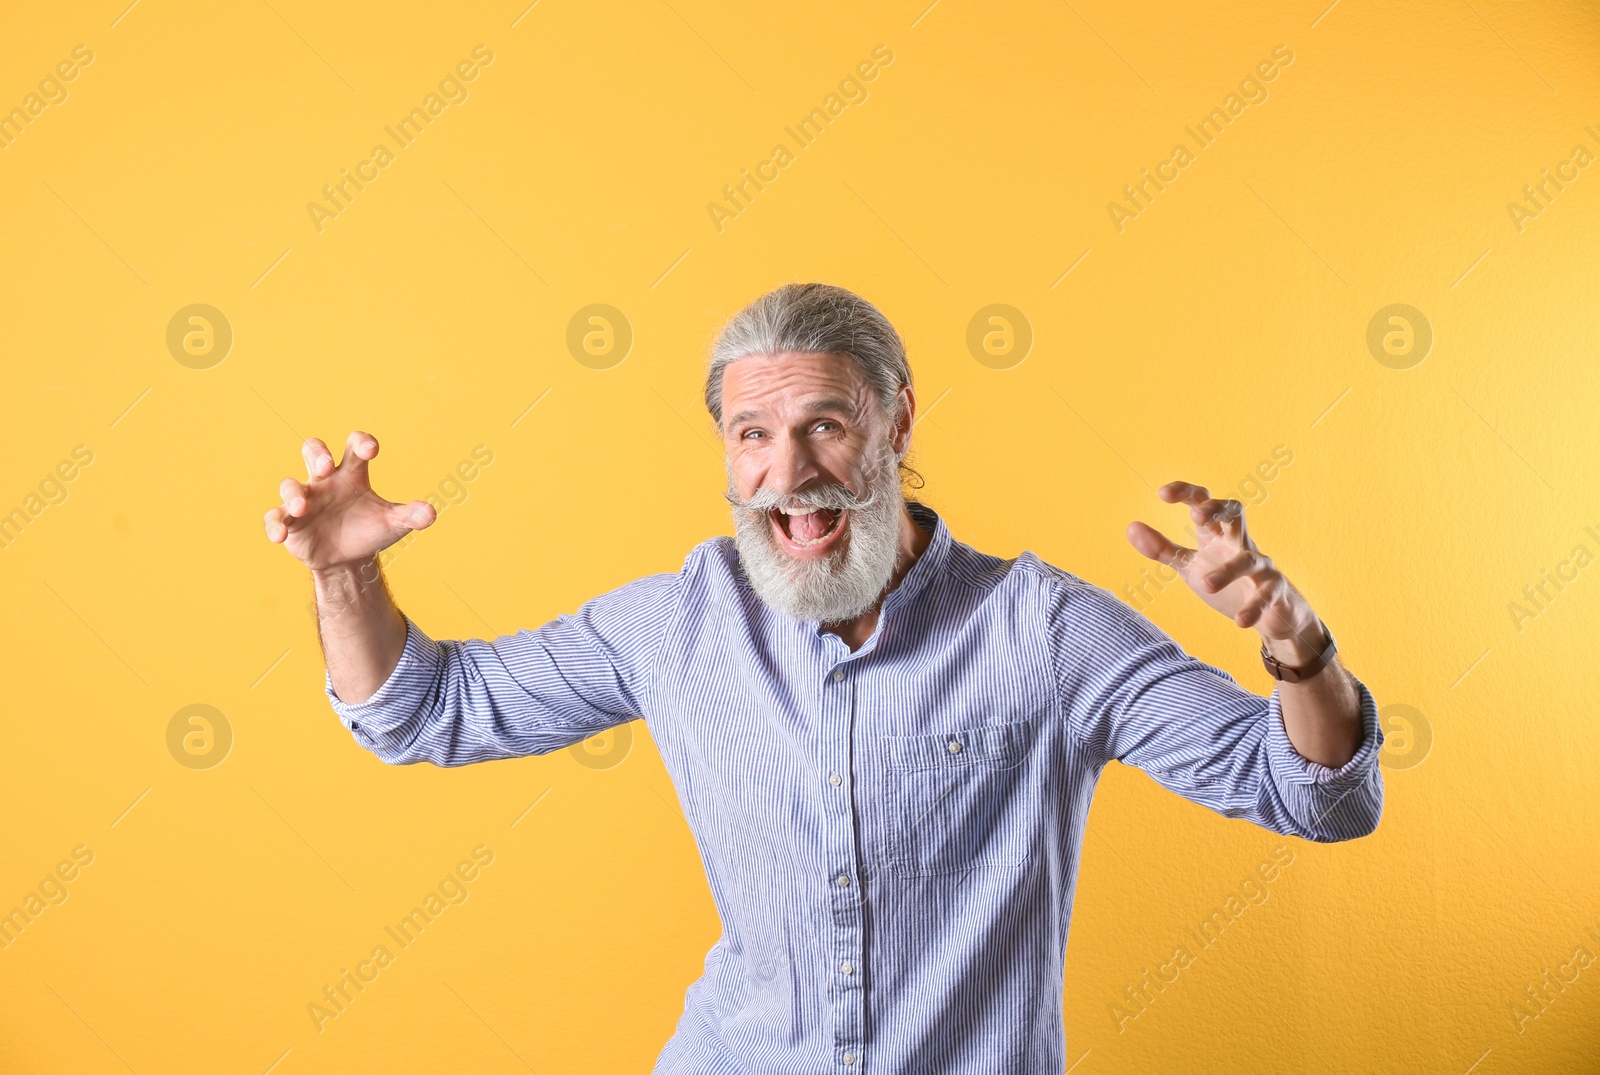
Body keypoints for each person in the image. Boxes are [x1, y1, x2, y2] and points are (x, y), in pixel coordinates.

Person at [263, 282, 1382, 1073]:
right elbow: (423, 713)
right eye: (751, 434)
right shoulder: (677, 622)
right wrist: (343, 580)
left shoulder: (1038, 629)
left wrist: (1294, 642)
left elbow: (1315, 793)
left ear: (897, 422)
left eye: (824, 426)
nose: (787, 473)